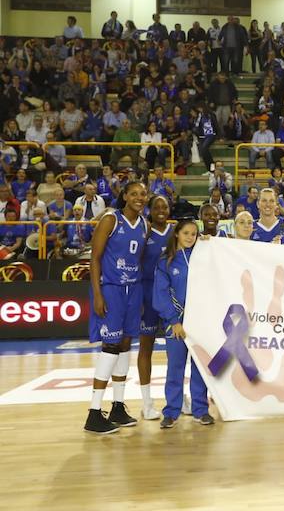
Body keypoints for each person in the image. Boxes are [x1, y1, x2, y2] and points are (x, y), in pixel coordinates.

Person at [84, 181, 148, 434]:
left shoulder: (144, 224)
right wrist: (98, 294)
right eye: (134, 194)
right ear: (125, 196)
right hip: (111, 288)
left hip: (134, 290)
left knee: (124, 345)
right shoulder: (111, 219)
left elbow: (139, 260)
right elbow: (95, 258)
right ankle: (93, 412)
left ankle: (118, 407)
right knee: (110, 346)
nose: (139, 198)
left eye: (143, 194)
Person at [152, 219, 214, 428]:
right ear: (177, 234)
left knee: (199, 368)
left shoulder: (201, 257)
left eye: (194, 234)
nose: (190, 237)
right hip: (176, 325)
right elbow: (160, 294)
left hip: (199, 324)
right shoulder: (165, 262)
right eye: (186, 233)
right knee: (175, 368)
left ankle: (200, 410)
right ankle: (171, 411)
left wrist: (207, 243)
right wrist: (174, 321)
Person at [137, 196, 172, 421]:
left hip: (171, 297)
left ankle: (177, 398)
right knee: (145, 347)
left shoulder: (177, 232)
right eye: (156, 207)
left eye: (164, 207)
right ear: (150, 210)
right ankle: (146, 401)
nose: (160, 210)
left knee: (177, 351)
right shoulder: (144, 232)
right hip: (148, 296)